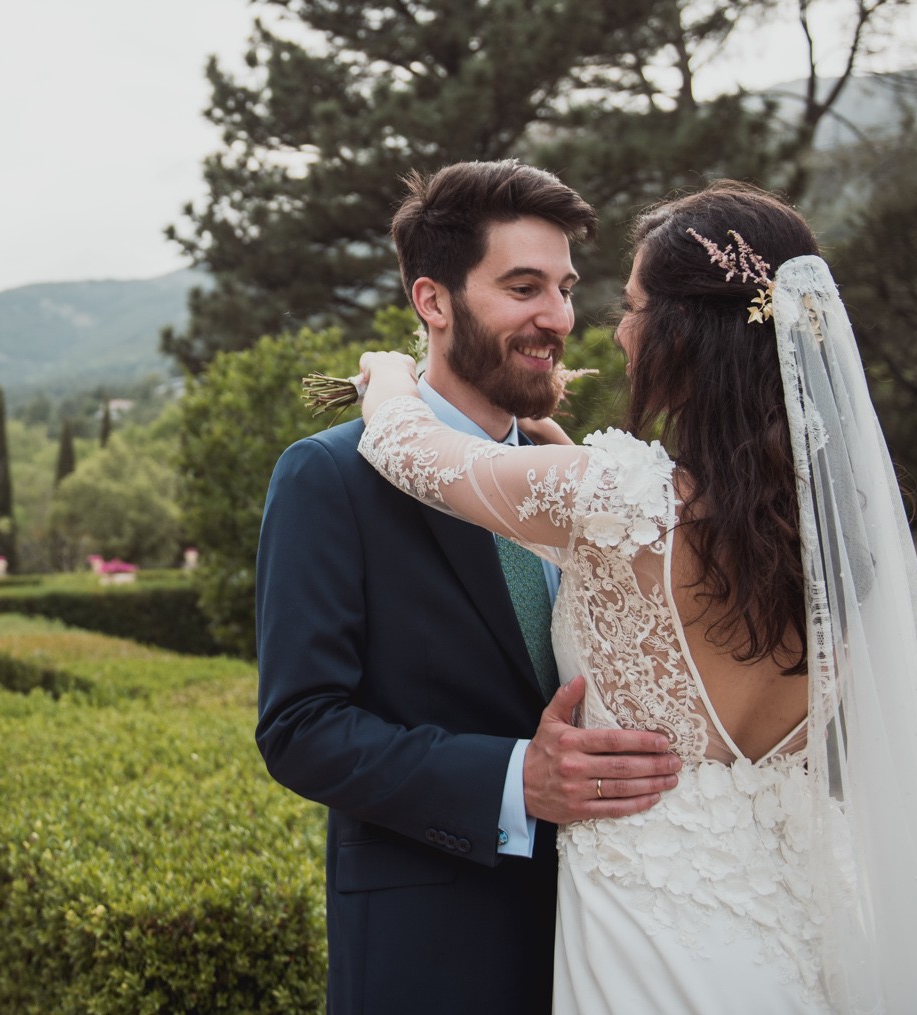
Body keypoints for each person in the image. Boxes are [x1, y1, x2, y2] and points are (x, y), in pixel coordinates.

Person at [353, 179, 917, 1012]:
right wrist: (568, 457)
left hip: (646, 935)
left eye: (635, 305)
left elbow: (408, 450)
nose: (613, 329)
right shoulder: (839, 527)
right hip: (789, 932)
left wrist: (388, 376)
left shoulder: (619, 499)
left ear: (687, 332)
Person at [254, 161, 682, 1014]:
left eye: (564, 288)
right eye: (523, 287)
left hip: (617, 940)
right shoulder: (329, 477)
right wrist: (513, 779)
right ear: (433, 301)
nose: (557, 318)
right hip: (435, 954)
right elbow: (300, 727)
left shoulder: (586, 481)